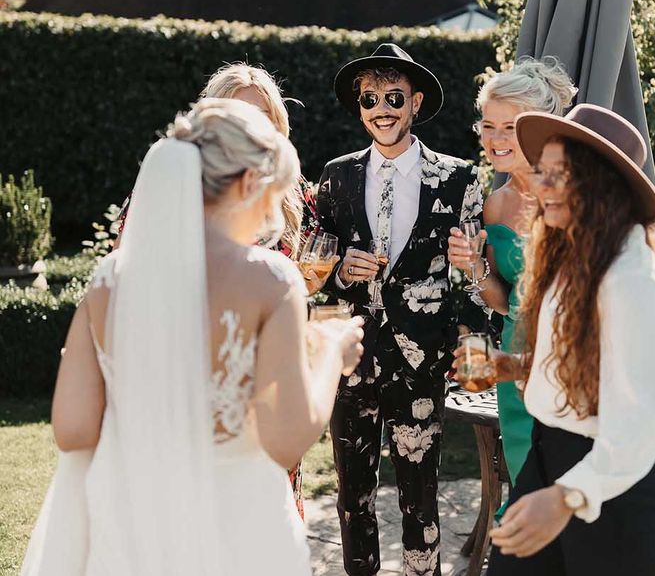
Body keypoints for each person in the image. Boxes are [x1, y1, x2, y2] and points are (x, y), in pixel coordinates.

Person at [22, 98, 364, 576]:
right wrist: (330, 352)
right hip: (237, 526)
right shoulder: (271, 280)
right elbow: (286, 441)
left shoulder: (108, 280)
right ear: (248, 183)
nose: (271, 221)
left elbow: (73, 430)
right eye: (273, 198)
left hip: (129, 526)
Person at [484, 104, 655, 575]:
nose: (542, 186)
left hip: (612, 498)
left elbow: (638, 428)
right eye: (542, 172)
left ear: (602, 184)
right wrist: (516, 367)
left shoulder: (632, 277)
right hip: (547, 459)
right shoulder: (570, 253)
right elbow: (580, 365)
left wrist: (566, 497)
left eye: (563, 175)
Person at [118, 62, 325, 516]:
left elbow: (303, 272)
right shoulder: (165, 194)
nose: (250, 131)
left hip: (270, 377)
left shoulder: (293, 197)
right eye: (237, 114)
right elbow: (131, 285)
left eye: (262, 118)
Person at [316, 43, 486, 576]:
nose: (381, 109)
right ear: (360, 106)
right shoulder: (336, 177)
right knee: (352, 497)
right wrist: (344, 268)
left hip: (423, 362)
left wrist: (474, 352)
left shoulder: (458, 179)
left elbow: (473, 281)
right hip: (352, 358)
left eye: (393, 97)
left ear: (414, 103)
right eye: (370, 99)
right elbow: (318, 270)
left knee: (420, 498)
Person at [447, 57, 577, 498]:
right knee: (526, 485)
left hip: (570, 359)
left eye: (510, 127)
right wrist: (474, 267)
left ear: (539, 126)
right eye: (488, 126)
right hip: (514, 357)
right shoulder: (495, 205)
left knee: (569, 488)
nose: (496, 139)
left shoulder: (573, 195)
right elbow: (504, 301)